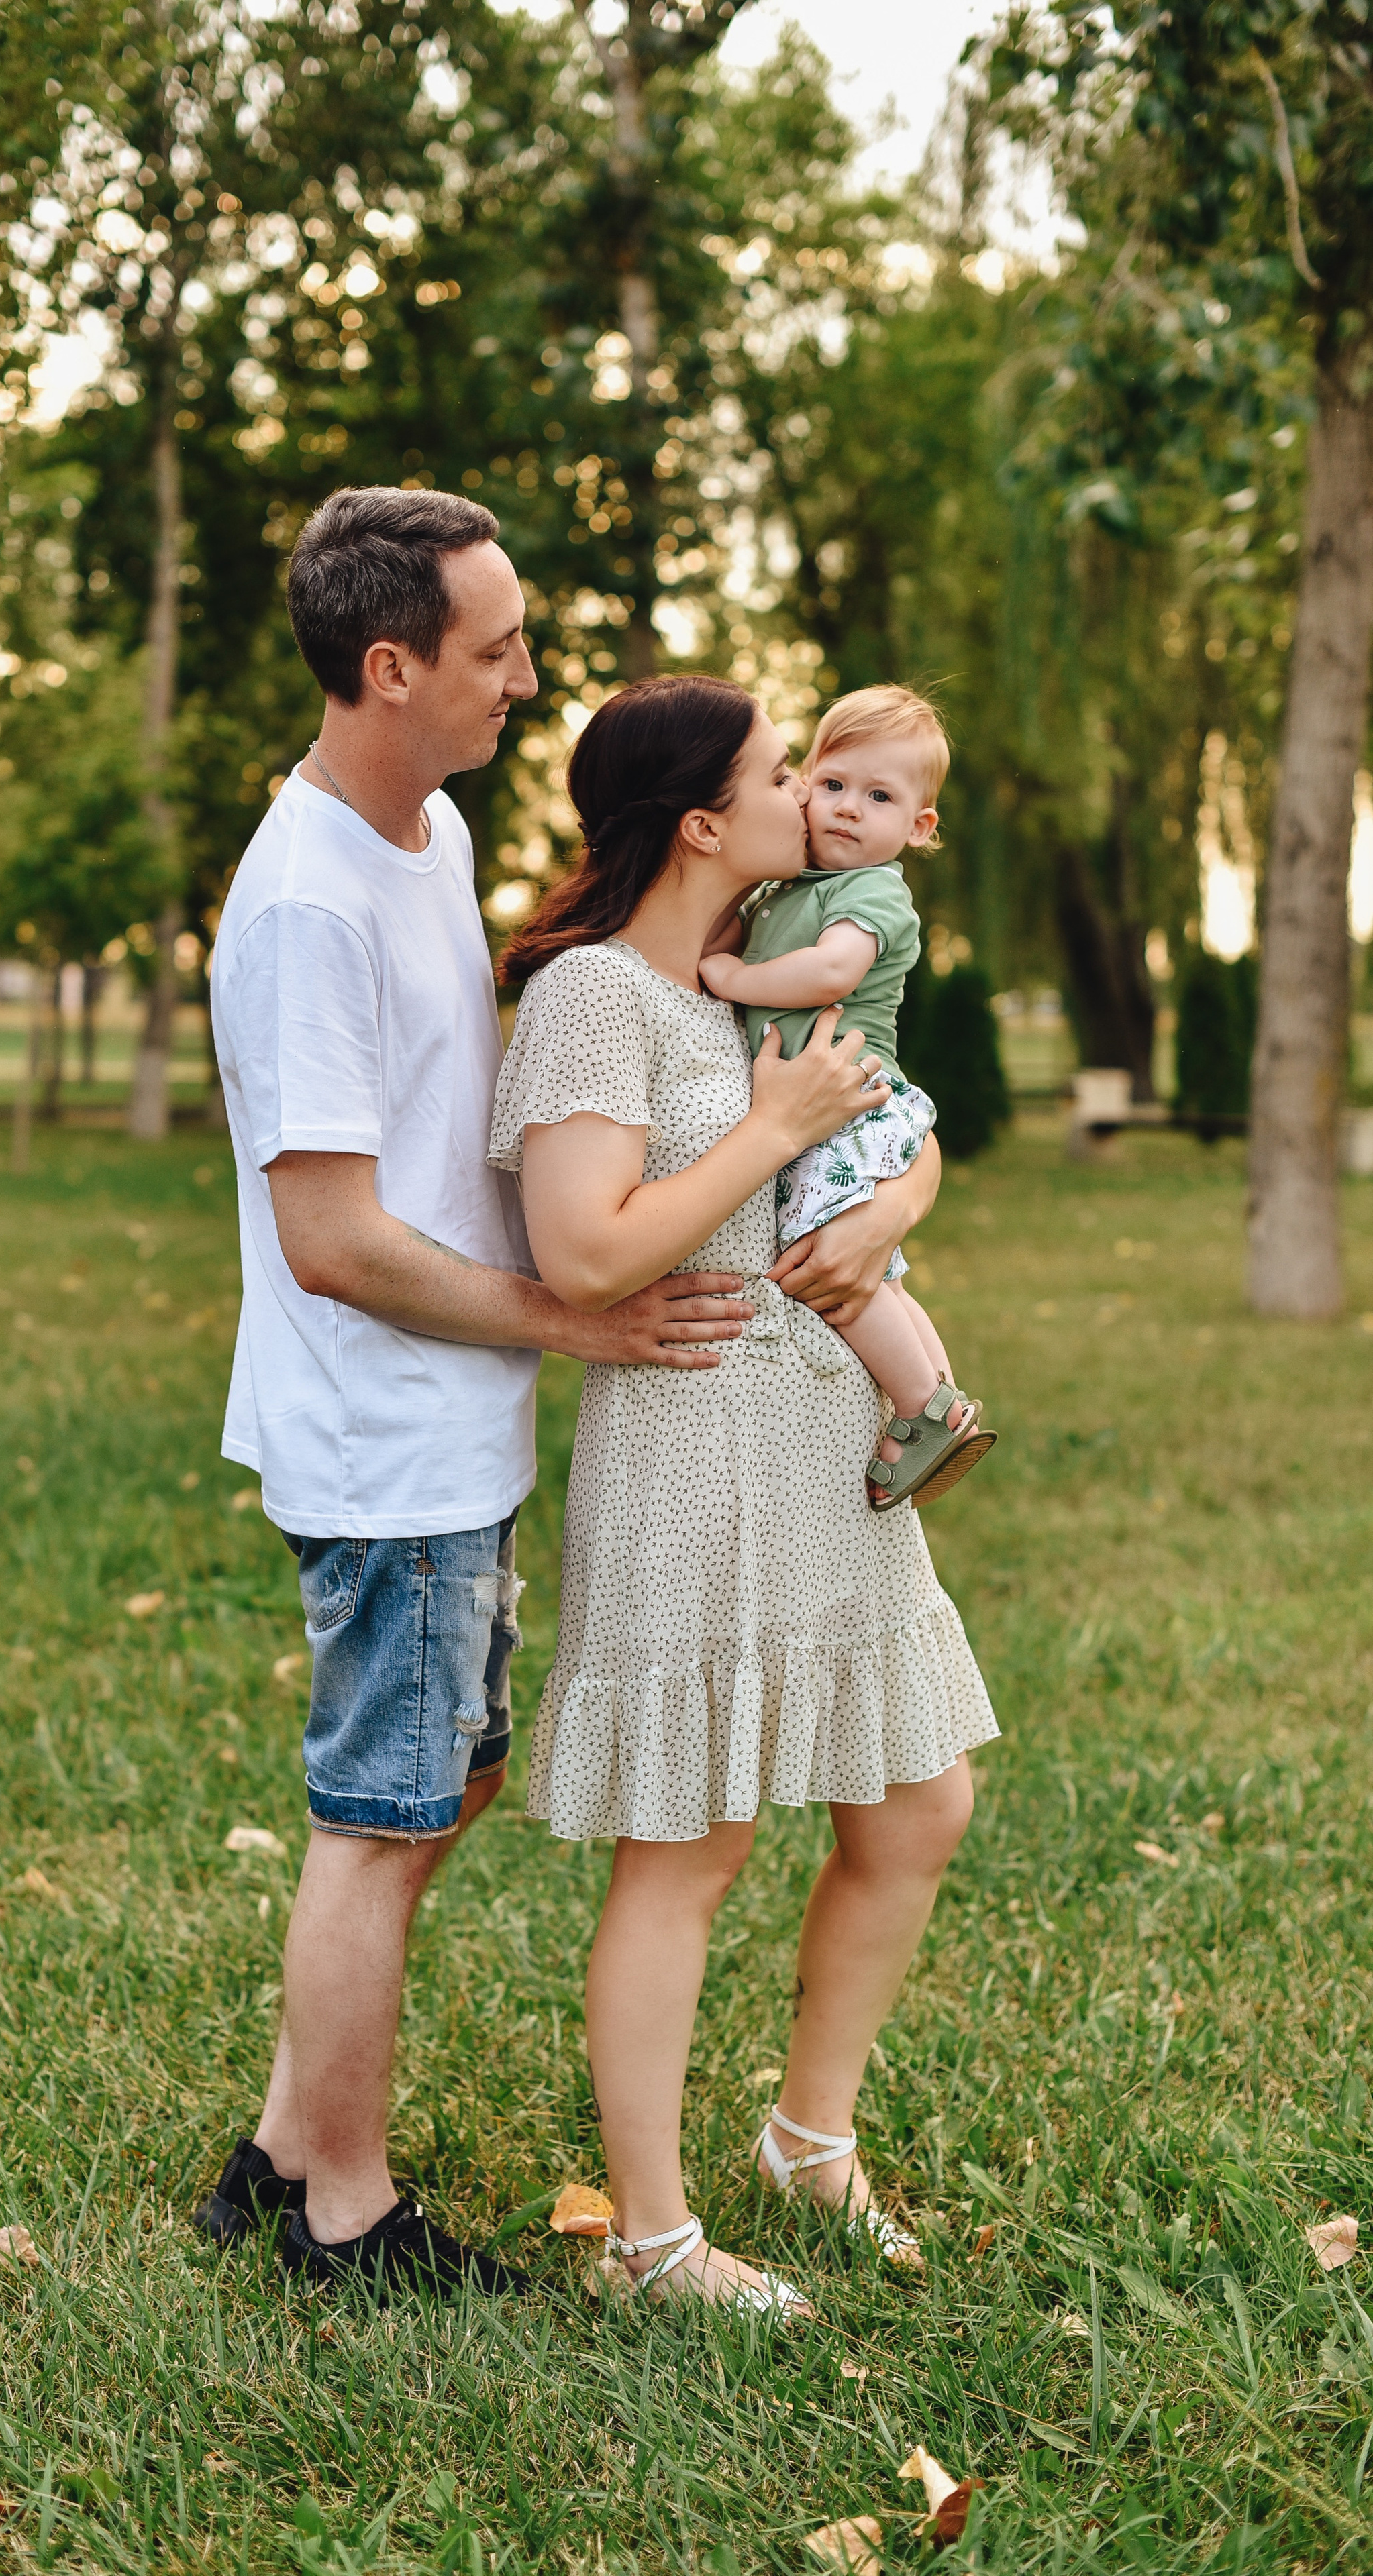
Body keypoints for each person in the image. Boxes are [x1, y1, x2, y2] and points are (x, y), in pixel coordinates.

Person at [197, 487, 776, 2300]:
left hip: (453, 1425)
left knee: (436, 1788)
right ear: (391, 665)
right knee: (378, 1826)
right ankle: (343, 2213)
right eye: (495, 647)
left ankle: (281, 2155)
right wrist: (570, 1317)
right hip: (386, 1443)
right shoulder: (307, 902)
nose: (525, 677)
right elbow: (331, 1239)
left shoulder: (426, 830)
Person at [489, 673, 999, 2314]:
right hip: (693, 1449)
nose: (812, 793)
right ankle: (651, 2239)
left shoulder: (776, 955)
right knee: (690, 1853)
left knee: (917, 1804)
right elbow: (581, 1251)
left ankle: (806, 2138)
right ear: (704, 820)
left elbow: (888, 1116)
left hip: (821, 1440)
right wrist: (769, 1131)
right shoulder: (597, 995)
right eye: (786, 772)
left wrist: (889, 1203)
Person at [701, 685, 996, 1512]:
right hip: (831, 1108)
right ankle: (945, 1400)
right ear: (804, 784)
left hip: (853, 1101)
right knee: (880, 1278)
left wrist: (733, 978)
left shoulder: (871, 892)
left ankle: (920, 1409)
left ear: (920, 827)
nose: (847, 809)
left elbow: (831, 972)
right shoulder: (788, 887)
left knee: (829, 1259)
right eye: (831, 784)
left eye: (879, 798)